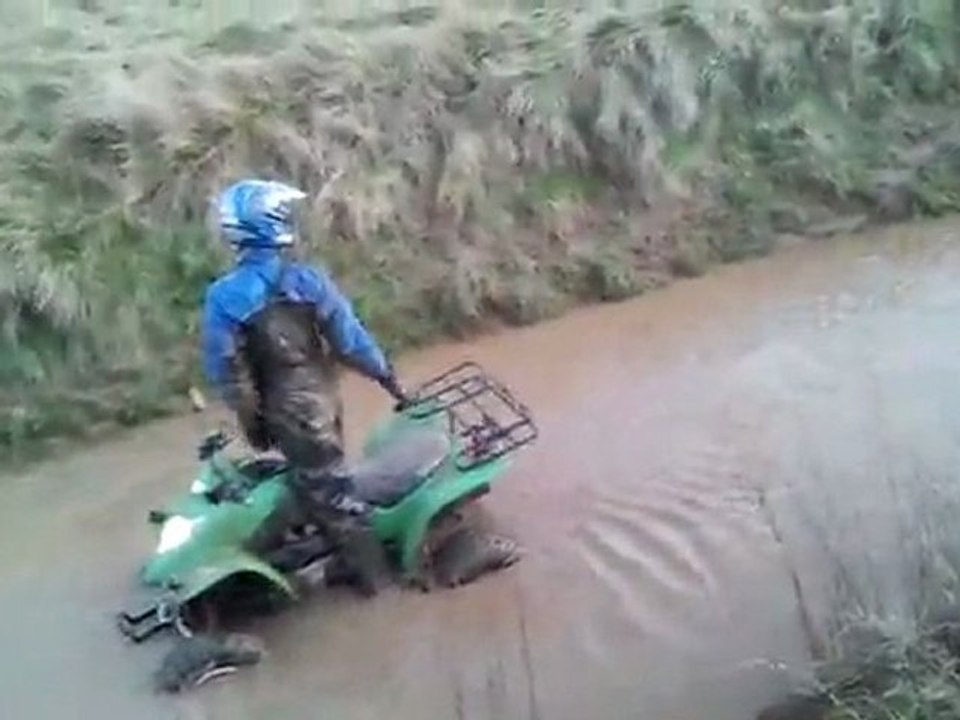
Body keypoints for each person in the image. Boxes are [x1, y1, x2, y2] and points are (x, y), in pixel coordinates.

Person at [200, 178, 408, 596]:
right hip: (322, 400)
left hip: (285, 409)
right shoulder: (309, 281)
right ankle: (332, 553)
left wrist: (252, 423)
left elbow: (227, 373)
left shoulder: (224, 297)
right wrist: (389, 381)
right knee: (323, 479)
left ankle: (378, 583)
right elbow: (352, 343)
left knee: (330, 494)